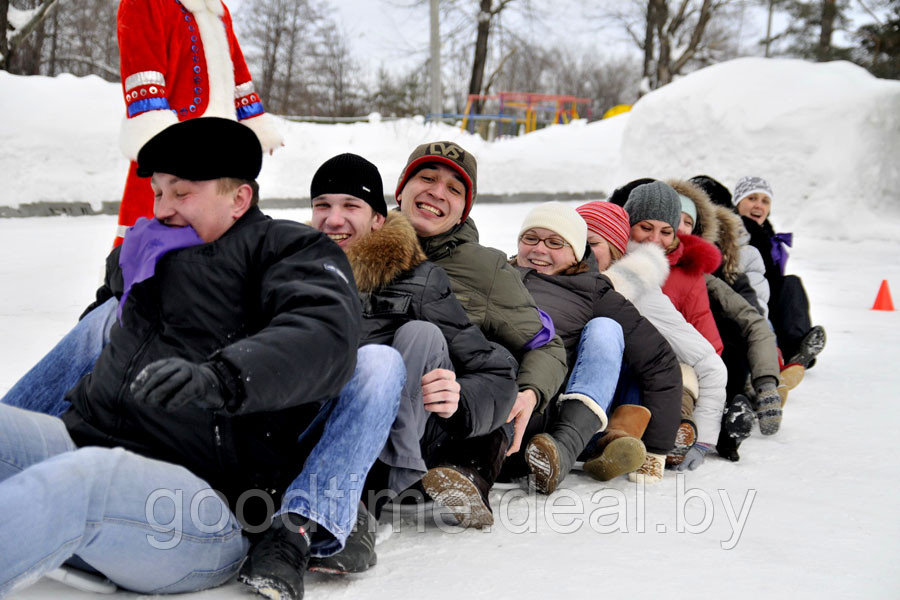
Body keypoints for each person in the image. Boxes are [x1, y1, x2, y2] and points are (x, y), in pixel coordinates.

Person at [0, 118, 401, 600]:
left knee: (80, 483)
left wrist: (223, 377)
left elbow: (321, 332)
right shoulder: (145, 252)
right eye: (158, 193)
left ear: (238, 199)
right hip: (90, 444)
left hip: (202, 507)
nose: (163, 209)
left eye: (182, 194)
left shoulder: (289, 251)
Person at [307, 153, 517, 550]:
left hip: (395, 440)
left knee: (415, 338)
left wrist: (461, 400)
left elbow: (500, 366)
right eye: (323, 206)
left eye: (350, 206)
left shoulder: (420, 280)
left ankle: (369, 494)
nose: (334, 219)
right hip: (311, 425)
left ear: (378, 218)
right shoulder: (292, 272)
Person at [394, 142, 568, 526]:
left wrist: (529, 393)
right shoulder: (365, 243)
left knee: (500, 359)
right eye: (426, 178)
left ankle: (469, 472)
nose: (438, 193)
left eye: (455, 189)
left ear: (463, 210)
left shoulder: (484, 268)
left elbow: (545, 344)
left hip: (445, 420)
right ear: (400, 189)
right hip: (375, 401)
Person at [506, 202, 681, 492]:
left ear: (576, 251)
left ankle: (565, 447)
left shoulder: (594, 292)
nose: (539, 249)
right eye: (530, 238)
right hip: (494, 398)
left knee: (606, 329)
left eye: (554, 243)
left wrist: (657, 447)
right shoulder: (497, 275)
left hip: (546, 414)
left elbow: (659, 360)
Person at [113, 0, 282, 246]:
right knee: (151, 233)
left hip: (223, 143)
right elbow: (141, 65)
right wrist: (157, 137)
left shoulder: (217, 9)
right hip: (173, 141)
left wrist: (253, 120)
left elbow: (238, 71)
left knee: (225, 231)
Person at [580, 201, 728, 478]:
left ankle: (667, 432)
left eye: (665, 231)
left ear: (615, 245)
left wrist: (704, 440)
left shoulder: (637, 287)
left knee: (659, 368)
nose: (654, 239)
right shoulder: (557, 271)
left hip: (647, 382)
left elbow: (707, 360)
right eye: (645, 227)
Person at [670, 179, 784, 446]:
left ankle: (731, 412)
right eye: (675, 220)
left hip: (713, 352)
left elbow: (753, 317)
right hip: (671, 354)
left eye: (688, 222)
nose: (680, 228)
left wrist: (766, 381)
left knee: (731, 332)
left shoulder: (714, 268)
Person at [731, 176, 826, 370]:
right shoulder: (735, 230)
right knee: (785, 286)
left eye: (765, 201)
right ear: (738, 202)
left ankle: (797, 347)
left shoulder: (767, 235)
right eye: (752, 198)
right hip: (744, 297)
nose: (759, 205)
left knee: (791, 284)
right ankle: (785, 350)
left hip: (766, 298)